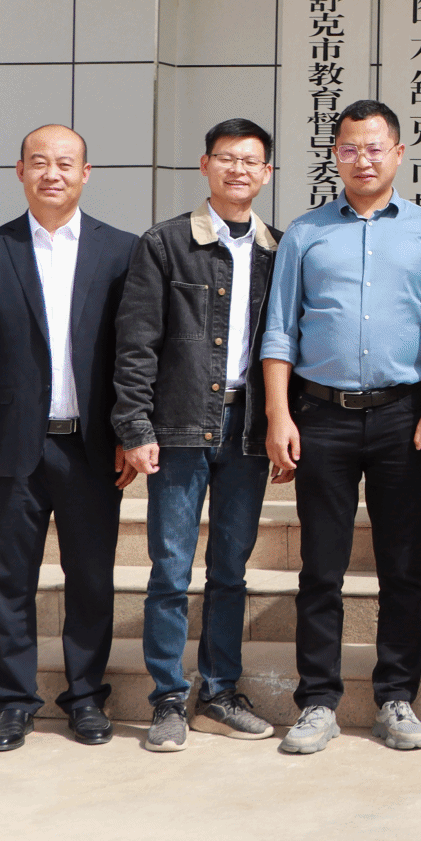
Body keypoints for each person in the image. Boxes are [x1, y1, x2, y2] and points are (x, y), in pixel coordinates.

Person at [261, 100, 421, 756]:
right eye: (350, 148)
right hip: (321, 417)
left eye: (375, 148)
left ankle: (396, 697)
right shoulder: (305, 234)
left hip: (404, 416)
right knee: (321, 566)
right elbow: (280, 331)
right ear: (335, 155)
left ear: (399, 154)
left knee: (402, 566)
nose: (363, 159)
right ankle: (318, 701)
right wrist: (280, 414)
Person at [0, 125, 137, 752]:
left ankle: (85, 698)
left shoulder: (121, 251)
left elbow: (133, 354)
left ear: (86, 173)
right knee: (9, 580)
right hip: (11, 448)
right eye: (39, 162)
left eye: (64, 163)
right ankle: (13, 702)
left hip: (92, 447)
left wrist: (127, 431)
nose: (52, 173)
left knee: (91, 578)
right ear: (20, 172)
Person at [111, 119, 282, 751]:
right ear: (205, 165)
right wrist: (135, 427)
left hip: (248, 429)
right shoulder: (164, 244)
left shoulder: (278, 250)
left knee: (230, 569)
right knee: (170, 569)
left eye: (251, 161)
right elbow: (136, 345)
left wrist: (283, 424)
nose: (239, 170)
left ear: (267, 174)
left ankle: (219, 693)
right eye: (226, 158)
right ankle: (167, 699)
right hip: (180, 426)